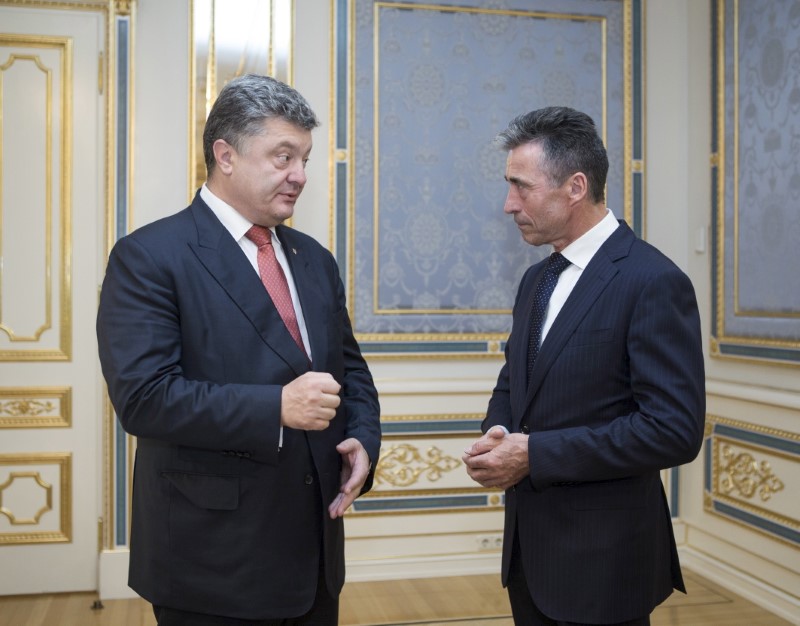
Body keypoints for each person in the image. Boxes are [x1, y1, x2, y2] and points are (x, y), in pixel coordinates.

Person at [97, 74, 381, 625]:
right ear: (225, 155)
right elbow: (144, 399)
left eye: (305, 158)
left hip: (315, 554)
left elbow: (351, 373)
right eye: (283, 157)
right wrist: (275, 407)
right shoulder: (149, 257)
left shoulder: (314, 259)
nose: (300, 175)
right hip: (212, 563)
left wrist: (363, 442)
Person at [462, 107, 705, 626]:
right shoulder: (537, 279)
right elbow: (515, 380)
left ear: (575, 187)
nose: (508, 205)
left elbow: (674, 431)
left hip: (606, 564)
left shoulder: (652, 281)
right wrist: (500, 431)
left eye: (520, 187)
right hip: (530, 555)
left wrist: (533, 455)